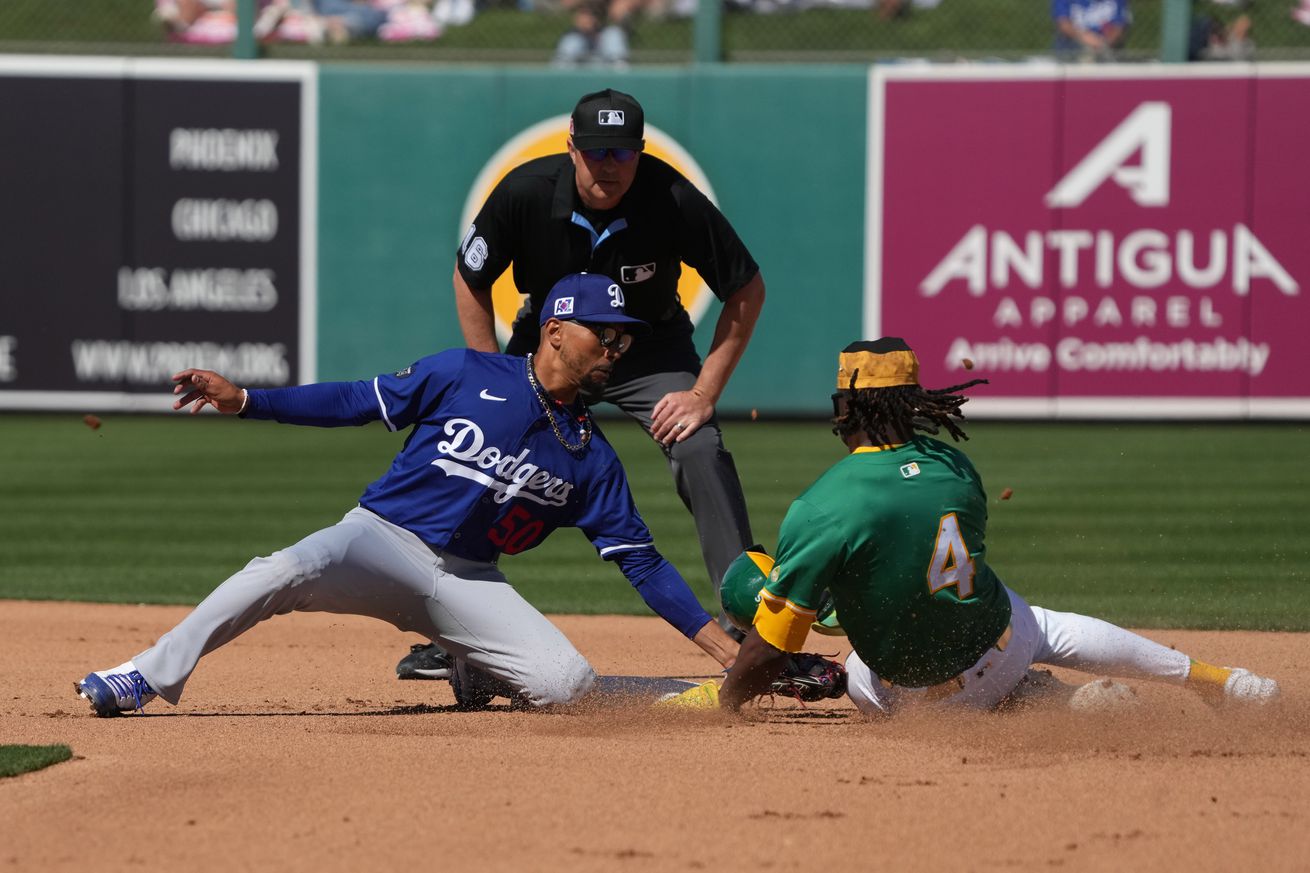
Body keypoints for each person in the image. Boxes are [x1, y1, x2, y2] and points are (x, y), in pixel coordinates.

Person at [74, 273, 739, 717]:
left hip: (469, 580)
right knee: (282, 568)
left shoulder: (592, 454)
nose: (617, 348)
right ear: (557, 329)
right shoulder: (464, 372)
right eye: (607, 332)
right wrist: (247, 399)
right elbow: (353, 400)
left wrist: (728, 653)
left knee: (565, 684)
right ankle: (143, 675)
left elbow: (642, 562)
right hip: (379, 539)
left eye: (624, 338)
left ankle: (488, 668)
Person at [399, 88, 765, 680]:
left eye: (621, 153)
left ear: (639, 152)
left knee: (699, 445)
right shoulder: (525, 192)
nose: (608, 166)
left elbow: (746, 288)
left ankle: (748, 618)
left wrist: (704, 394)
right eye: (596, 152)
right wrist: (486, 375)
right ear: (572, 148)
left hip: (649, 348)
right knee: (479, 451)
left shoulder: (671, 199)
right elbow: (470, 277)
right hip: (554, 345)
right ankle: (454, 632)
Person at [707, 337, 1279, 714]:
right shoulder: (956, 466)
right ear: (914, 401)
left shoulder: (823, 504)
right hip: (1001, 644)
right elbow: (928, 562)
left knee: (859, 667)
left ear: (844, 407)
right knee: (1034, 619)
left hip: (923, 698)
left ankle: (1061, 705)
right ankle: (1218, 680)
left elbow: (771, 648)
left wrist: (727, 700)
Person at [1052, 0, 1130, 61]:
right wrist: (1084, 37)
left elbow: (1119, 26)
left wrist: (1103, 43)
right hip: (1075, 44)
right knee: (1083, 51)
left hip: (1107, 45)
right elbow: (1064, 24)